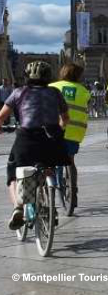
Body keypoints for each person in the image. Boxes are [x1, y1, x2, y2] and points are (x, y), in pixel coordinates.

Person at [3, 62, 69, 229]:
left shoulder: (18, 92)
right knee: (49, 165)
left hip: (27, 138)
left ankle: (18, 208)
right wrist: (59, 130)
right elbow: (65, 118)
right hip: (52, 137)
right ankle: (49, 197)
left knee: (13, 172)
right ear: (48, 78)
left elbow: (2, 115)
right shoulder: (55, 92)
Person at [49, 63, 90, 211]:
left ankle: (52, 188)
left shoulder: (53, 87)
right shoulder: (84, 90)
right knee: (70, 160)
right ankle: (74, 190)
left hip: (56, 129)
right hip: (76, 131)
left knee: (51, 161)